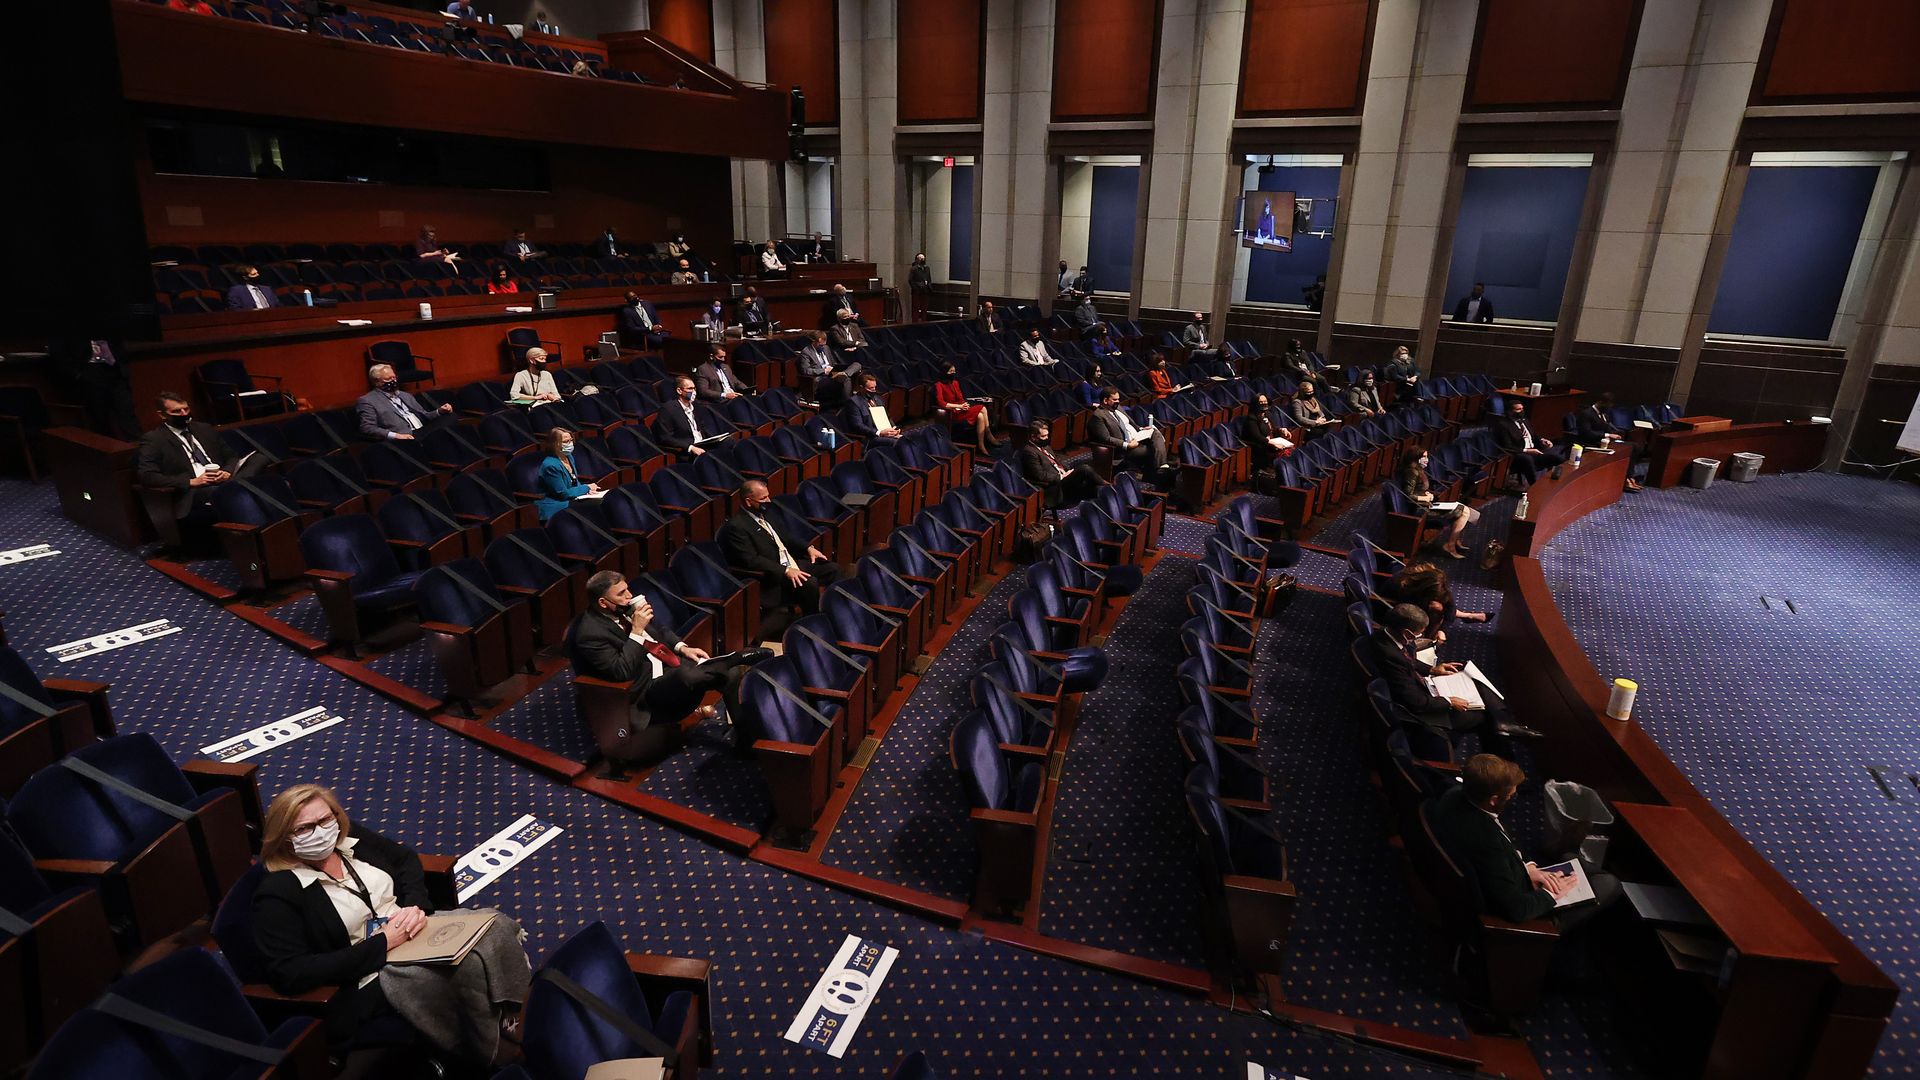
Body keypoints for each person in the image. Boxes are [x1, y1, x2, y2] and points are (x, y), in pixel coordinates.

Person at [251, 784, 531, 1065]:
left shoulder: (348, 839)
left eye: (325, 819)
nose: (321, 831)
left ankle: (510, 1013)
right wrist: (383, 943)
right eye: (305, 828)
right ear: (285, 838)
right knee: (466, 967)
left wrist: (416, 906)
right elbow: (291, 972)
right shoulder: (278, 892)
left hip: (412, 930)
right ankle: (487, 1054)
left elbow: (404, 858)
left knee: (495, 924)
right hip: (369, 970)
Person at [567, 571, 771, 756]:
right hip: (644, 691)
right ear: (603, 603)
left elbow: (661, 631)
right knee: (687, 675)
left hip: (667, 666)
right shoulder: (590, 634)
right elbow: (622, 672)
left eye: (627, 589)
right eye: (621, 593)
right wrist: (637, 631)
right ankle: (731, 659)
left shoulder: (624, 610)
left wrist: (683, 648)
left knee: (731, 674)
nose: (629, 596)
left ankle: (745, 741)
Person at [1425, 754, 1621, 931]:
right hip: (1521, 913)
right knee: (1610, 884)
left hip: (1513, 877)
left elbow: (1502, 850)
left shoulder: (1455, 795)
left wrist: (1529, 869)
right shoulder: (1487, 842)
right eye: (1510, 796)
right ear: (1493, 800)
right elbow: (1515, 909)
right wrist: (1551, 894)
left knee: (1575, 862)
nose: (1512, 799)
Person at [1370, 603, 1534, 760]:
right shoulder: (1389, 655)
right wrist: (1449, 702)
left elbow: (1409, 660)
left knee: (1464, 670)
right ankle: (1503, 766)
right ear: (1407, 633)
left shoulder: (1387, 634)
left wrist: (1432, 669)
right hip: (1415, 710)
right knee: (1484, 719)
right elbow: (1416, 703)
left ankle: (1504, 724)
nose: (1419, 637)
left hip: (1420, 688)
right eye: (1419, 634)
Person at [719, 480, 846, 640]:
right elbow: (751, 560)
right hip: (774, 575)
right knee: (809, 583)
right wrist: (785, 571)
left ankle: (837, 616)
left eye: (768, 496)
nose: (768, 501)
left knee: (833, 569)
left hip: (792, 563)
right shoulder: (736, 527)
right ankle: (813, 628)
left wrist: (808, 548)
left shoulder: (767, 513)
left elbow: (787, 537)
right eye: (763, 498)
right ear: (748, 501)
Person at [135, 391, 253, 540]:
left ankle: (236, 485)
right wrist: (191, 482)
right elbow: (147, 476)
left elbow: (231, 456)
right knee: (237, 490)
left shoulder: (204, 429)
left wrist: (227, 472)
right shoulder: (154, 439)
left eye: (186, 409)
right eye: (177, 411)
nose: (184, 414)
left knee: (260, 459)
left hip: (222, 478)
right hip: (195, 490)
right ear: (163, 415)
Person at [1384, 561, 1489, 643]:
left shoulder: (1434, 580)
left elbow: (1450, 605)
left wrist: (1443, 630)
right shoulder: (1404, 588)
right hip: (1392, 608)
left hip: (1414, 602)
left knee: (1440, 607)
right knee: (1437, 609)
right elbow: (1411, 612)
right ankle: (1428, 641)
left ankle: (1466, 616)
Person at [1402, 451, 1478, 560]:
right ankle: (1451, 545)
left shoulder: (1419, 471)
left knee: (1464, 510)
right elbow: (1408, 495)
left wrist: (1426, 493)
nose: (1427, 459)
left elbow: (1418, 489)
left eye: (1427, 456)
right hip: (1421, 509)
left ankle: (1454, 542)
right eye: (1424, 456)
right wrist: (1425, 497)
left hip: (1427, 505)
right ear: (1415, 458)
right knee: (1464, 511)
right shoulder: (1411, 472)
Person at [1089, 386, 1170, 483]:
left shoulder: (1118, 408)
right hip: (1122, 449)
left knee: (1155, 432)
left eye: (1118, 399)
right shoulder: (1098, 416)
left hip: (1135, 437)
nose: (1118, 402)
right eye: (1114, 399)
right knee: (1153, 449)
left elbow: (1131, 424)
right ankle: (1158, 474)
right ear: (1105, 400)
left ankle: (1161, 469)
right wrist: (1127, 445)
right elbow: (1106, 439)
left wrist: (1141, 429)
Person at [1569, 392, 1644, 492]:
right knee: (1632, 447)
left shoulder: (1603, 414)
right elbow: (1587, 433)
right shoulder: (1586, 413)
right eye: (1608, 405)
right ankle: (1627, 479)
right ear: (1600, 402)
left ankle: (1629, 477)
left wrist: (1614, 433)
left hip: (1606, 442)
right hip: (1591, 443)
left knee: (1634, 447)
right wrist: (1607, 435)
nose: (1609, 408)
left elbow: (1607, 427)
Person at [356, 364, 453, 440]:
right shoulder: (368, 400)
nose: (393, 381)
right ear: (376, 382)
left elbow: (424, 415)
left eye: (394, 377)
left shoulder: (405, 395)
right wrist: (396, 436)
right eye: (388, 379)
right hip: (406, 436)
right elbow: (367, 427)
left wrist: (440, 411)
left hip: (423, 429)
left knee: (450, 417)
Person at [1019, 420, 1097, 509]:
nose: (1047, 438)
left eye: (1047, 435)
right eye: (1043, 436)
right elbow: (1040, 475)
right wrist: (1061, 476)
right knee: (1085, 469)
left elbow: (1056, 461)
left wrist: (1068, 470)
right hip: (1055, 485)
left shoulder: (1045, 446)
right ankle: (1103, 489)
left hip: (1063, 476)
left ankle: (1100, 494)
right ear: (1033, 437)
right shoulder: (1029, 452)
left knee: (1084, 471)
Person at [1492, 400, 1567, 487]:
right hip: (1518, 456)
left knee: (1557, 458)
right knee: (1527, 459)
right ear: (1510, 411)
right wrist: (1527, 451)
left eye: (1522, 409)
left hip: (1535, 453)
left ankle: (1560, 483)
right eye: (1518, 409)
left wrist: (1542, 440)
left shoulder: (1525, 421)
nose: (1521, 411)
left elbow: (1534, 436)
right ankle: (1534, 487)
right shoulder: (1503, 425)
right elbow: (1507, 446)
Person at [533, 428, 602, 522]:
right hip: (555, 505)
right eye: (566, 441)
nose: (570, 444)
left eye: (571, 440)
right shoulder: (550, 465)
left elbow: (574, 482)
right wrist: (586, 488)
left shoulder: (569, 457)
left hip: (571, 499)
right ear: (555, 444)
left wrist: (586, 492)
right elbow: (563, 494)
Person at [934, 363, 997, 455]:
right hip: (951, 413)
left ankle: (981, 445)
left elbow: (960, 398)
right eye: (951, 371)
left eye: (954, 371)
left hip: (961, 410)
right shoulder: (938, 385)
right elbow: (941, 403)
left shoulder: (955, 383)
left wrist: (964, 405)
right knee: (982, 408)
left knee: (980, 416)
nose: (953, 373)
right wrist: (959, 406)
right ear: (945, 372)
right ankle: (989, 435)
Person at [655, 376, 715, 457]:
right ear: (679, 391)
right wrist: (690, 448)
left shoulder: (696, 406)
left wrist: (715, 439)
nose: (693, 392)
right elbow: (665, 437)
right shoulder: (668, 409)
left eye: (694, 389)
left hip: (703, 445)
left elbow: (702, 429)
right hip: (687, 451)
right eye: (690, 389)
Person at [1241, 393, 1295, 480]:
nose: (1264, 404)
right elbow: (1257, 437)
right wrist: (1271, 443)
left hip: (1271, 441)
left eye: (1265, 401)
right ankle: (1279, 476)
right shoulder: (1251, 419)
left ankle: (1287, 474)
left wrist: (1281, 430)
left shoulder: (1268, 414)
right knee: (1281, 451)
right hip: (1259, 445)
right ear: (1255, 404)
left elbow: (1273, 429)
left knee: (1290, 449)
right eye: (1261, 402)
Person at [843, 372, 903, 444]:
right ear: (861, 388)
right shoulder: (853, 402)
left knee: (906, 439)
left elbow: (888, 417)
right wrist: (879, 433)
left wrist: (894, 428)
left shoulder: (877, 398)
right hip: (870, 437)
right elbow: (858, 425)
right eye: (871, 388)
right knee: (896, 443)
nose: (874, 390)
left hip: (886, 433)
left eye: (875, 387)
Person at [797, 330, 847, 408]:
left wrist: (835, 369)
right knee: (841, 382)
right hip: (819, 378)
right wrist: (824, 371)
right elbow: (806, 371)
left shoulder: (826, 348)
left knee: (847, 377)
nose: (822, 347)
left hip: (831, 374)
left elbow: (833, 363)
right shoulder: (806, 352)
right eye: (820, 345)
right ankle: (844, 405)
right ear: (814, 342)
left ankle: (843, 404)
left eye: (824, 345)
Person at [907, 253, 932, 321]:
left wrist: (929, 286)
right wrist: (916, 288)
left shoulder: (927, 268)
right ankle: (915, 323)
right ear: (917, 260)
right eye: (921, 258)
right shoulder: (914, 269)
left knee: (924, 308)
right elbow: (910, 280)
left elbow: (929, 279)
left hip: (925, 291)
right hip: (917, 292)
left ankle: (923, 321)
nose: (923, 260)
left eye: (923, 258)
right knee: (916, 308)